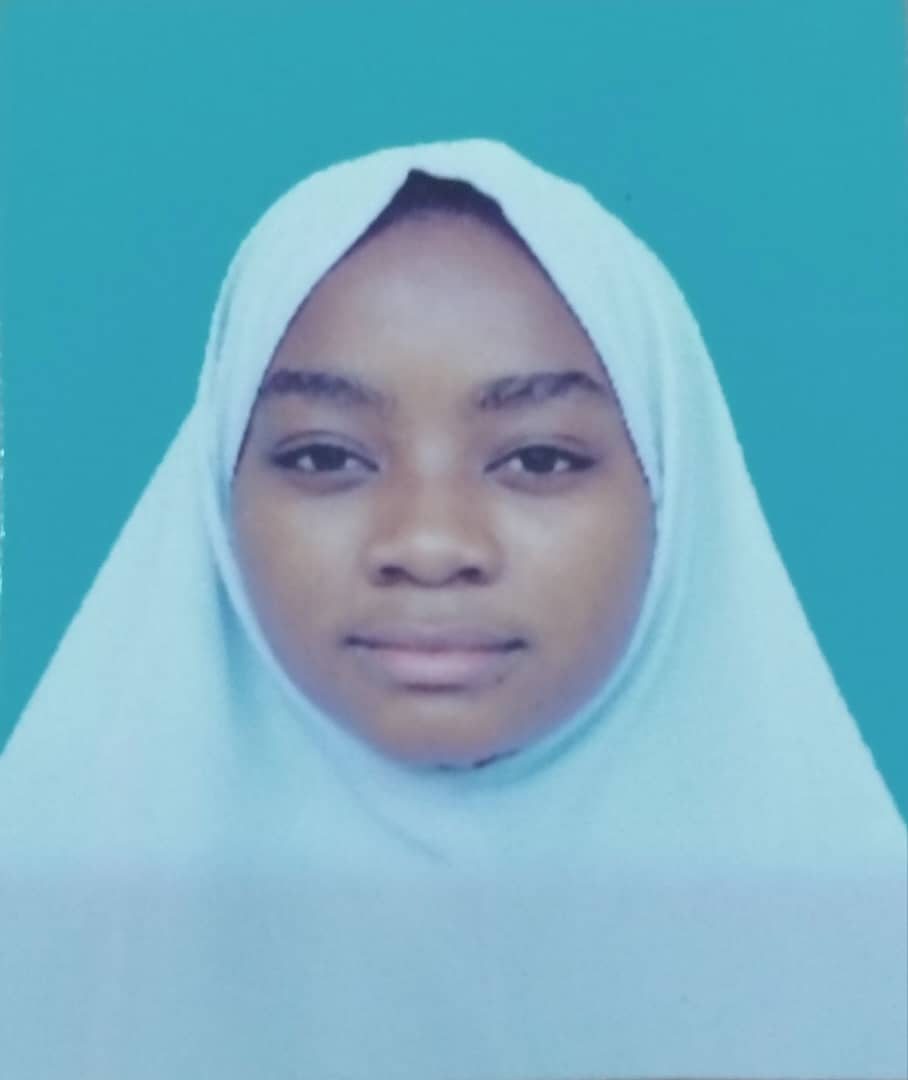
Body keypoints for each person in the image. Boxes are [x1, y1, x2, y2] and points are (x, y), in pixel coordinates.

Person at [1, 139, 904, 1080]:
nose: (430, 544)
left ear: (674, 493)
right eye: (324, 457)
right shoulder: (33, 935)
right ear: (220, 497)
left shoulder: (871, 963)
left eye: (539, 459)